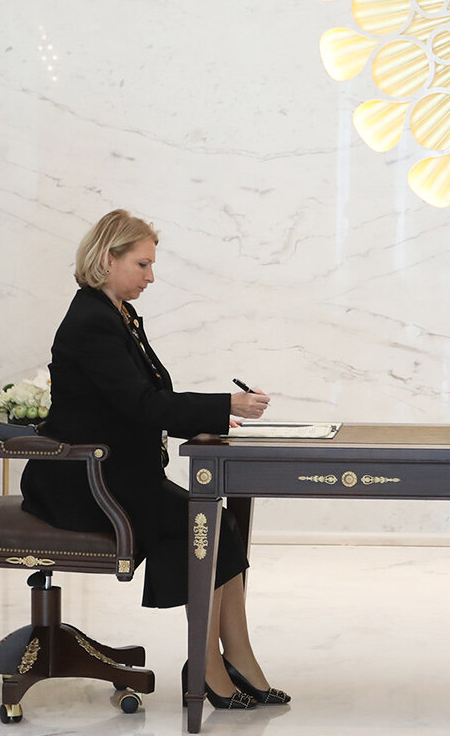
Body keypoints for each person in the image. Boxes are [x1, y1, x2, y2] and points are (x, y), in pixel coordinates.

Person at [20, 210, 285, 710]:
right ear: (108, 258)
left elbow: (143, 398)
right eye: (142, 264)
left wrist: (204, 419)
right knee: (204, 525)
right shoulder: (91, 322)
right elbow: (141, 404)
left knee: (218, 524)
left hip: (114, 473)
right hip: (82, 483)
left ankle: (236, 659)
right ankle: (208, 667)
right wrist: (223, 406)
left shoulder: (117, 314)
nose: (151, 276)